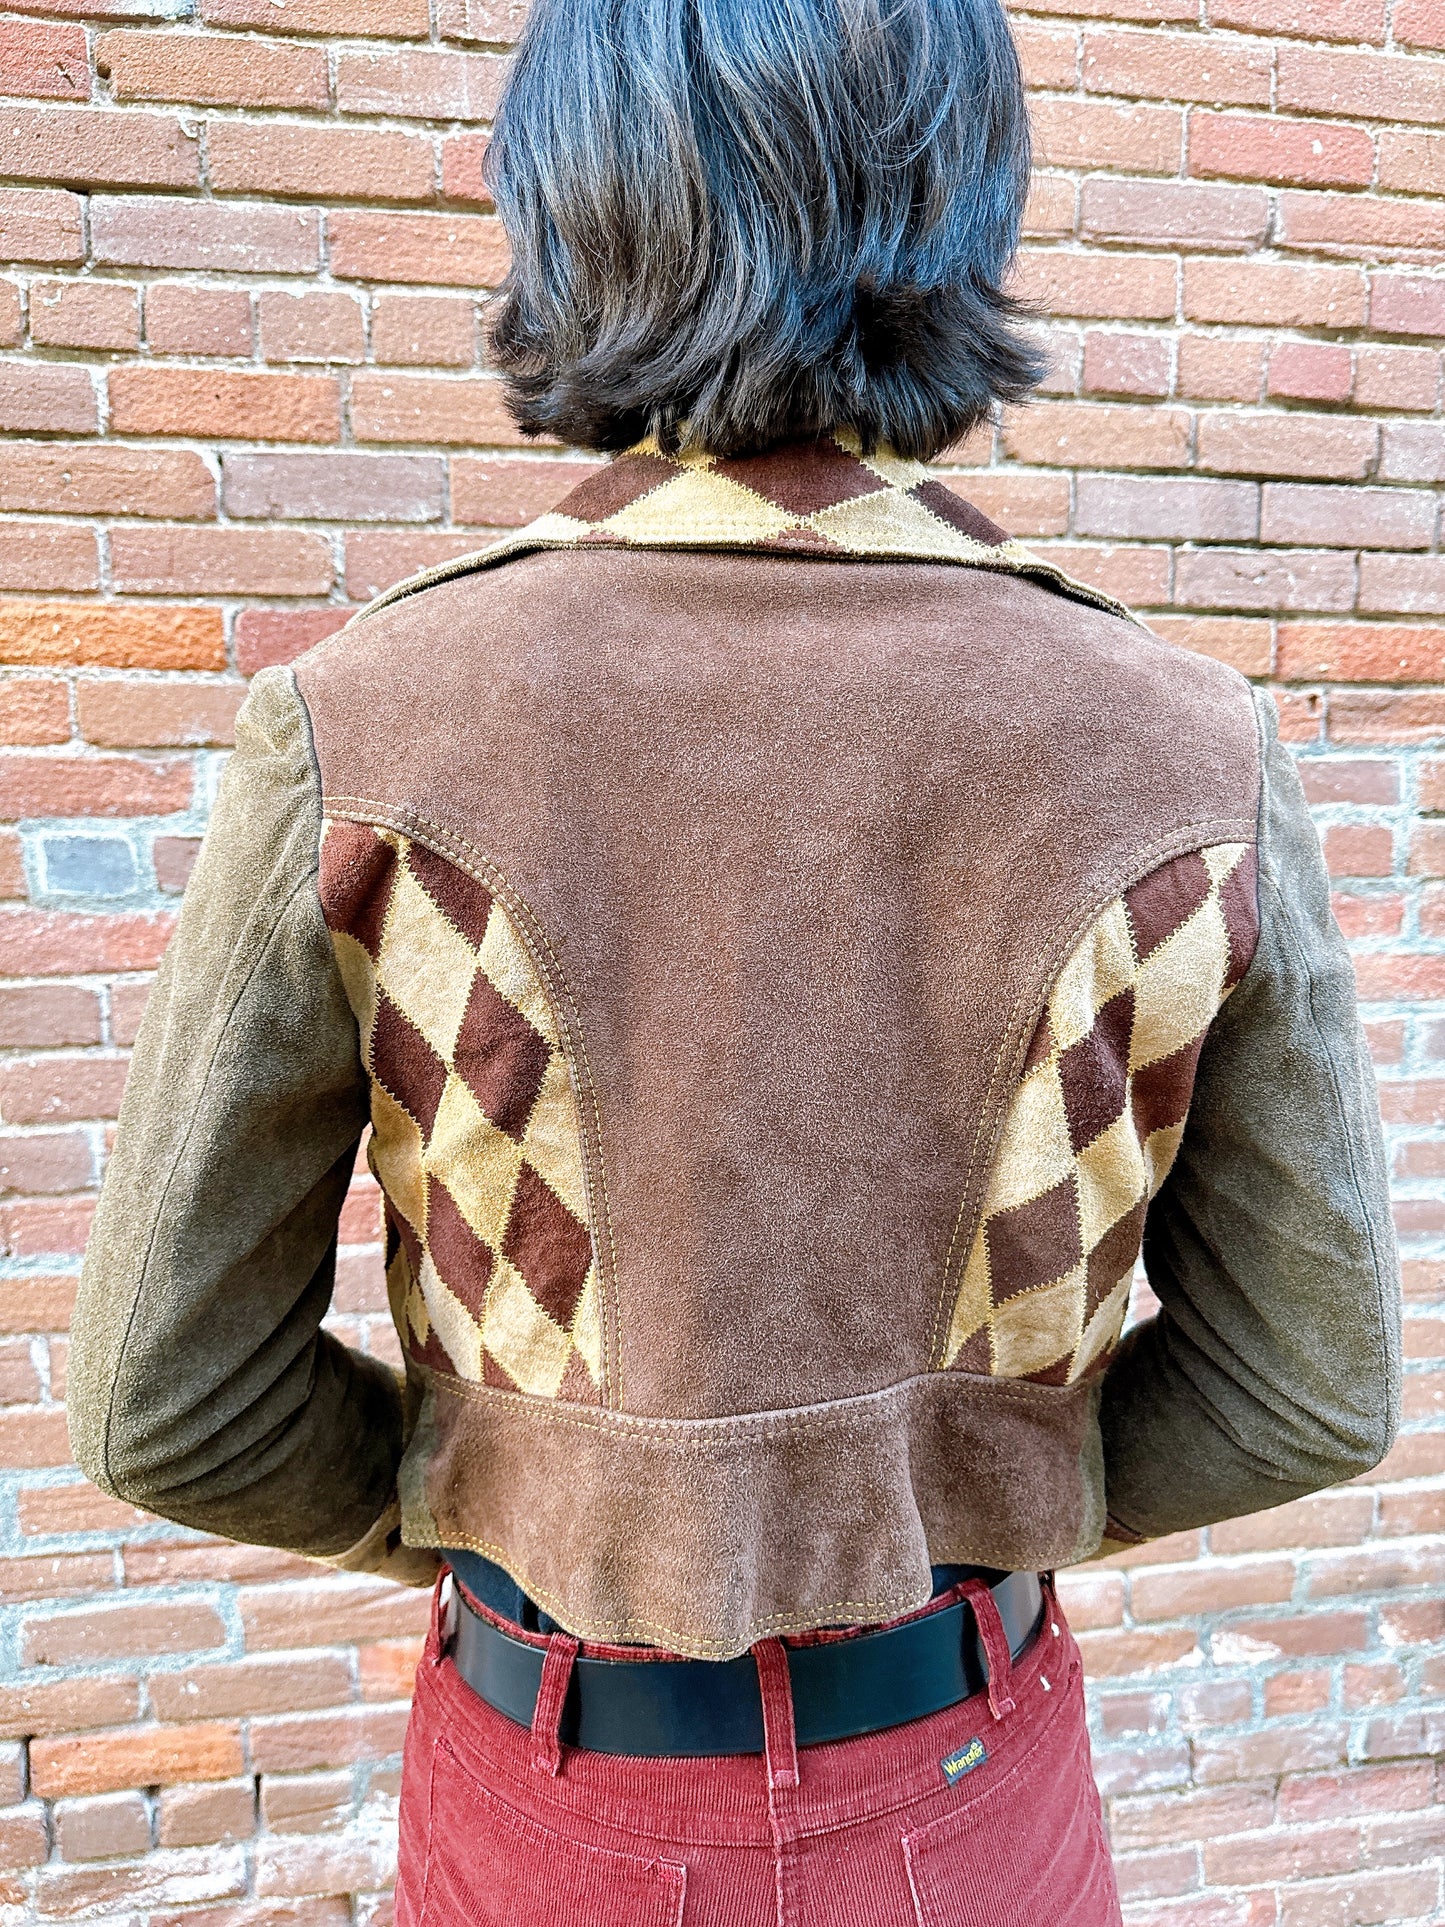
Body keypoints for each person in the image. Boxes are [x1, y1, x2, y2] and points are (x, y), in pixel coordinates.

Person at [68, 0, 1401, 1919]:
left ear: (567, 213)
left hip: (551, 1795)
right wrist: (977, 1481)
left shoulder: (365, 728)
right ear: (965, 205)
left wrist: (522, 1488)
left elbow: (167, 1408)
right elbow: (1306, 1394)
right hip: (975, 1777)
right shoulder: (1185, 748)